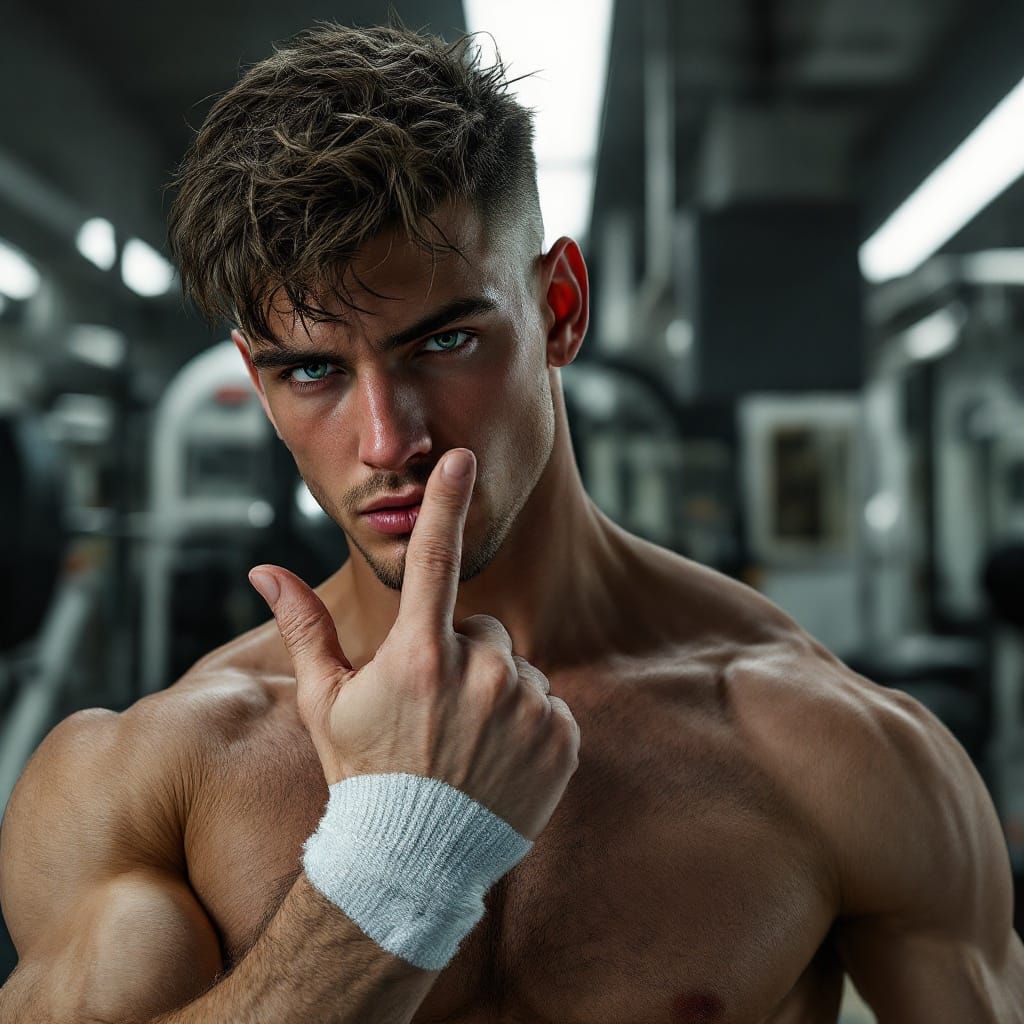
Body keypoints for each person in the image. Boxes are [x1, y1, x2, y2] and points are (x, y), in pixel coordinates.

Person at [2, 19, 1023, 1024]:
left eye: (442, 341)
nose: (385, 438)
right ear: (257, 384)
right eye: (311, 369)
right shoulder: (152, 776)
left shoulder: (826, 748)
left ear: (560, 306)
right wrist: (391, 861)